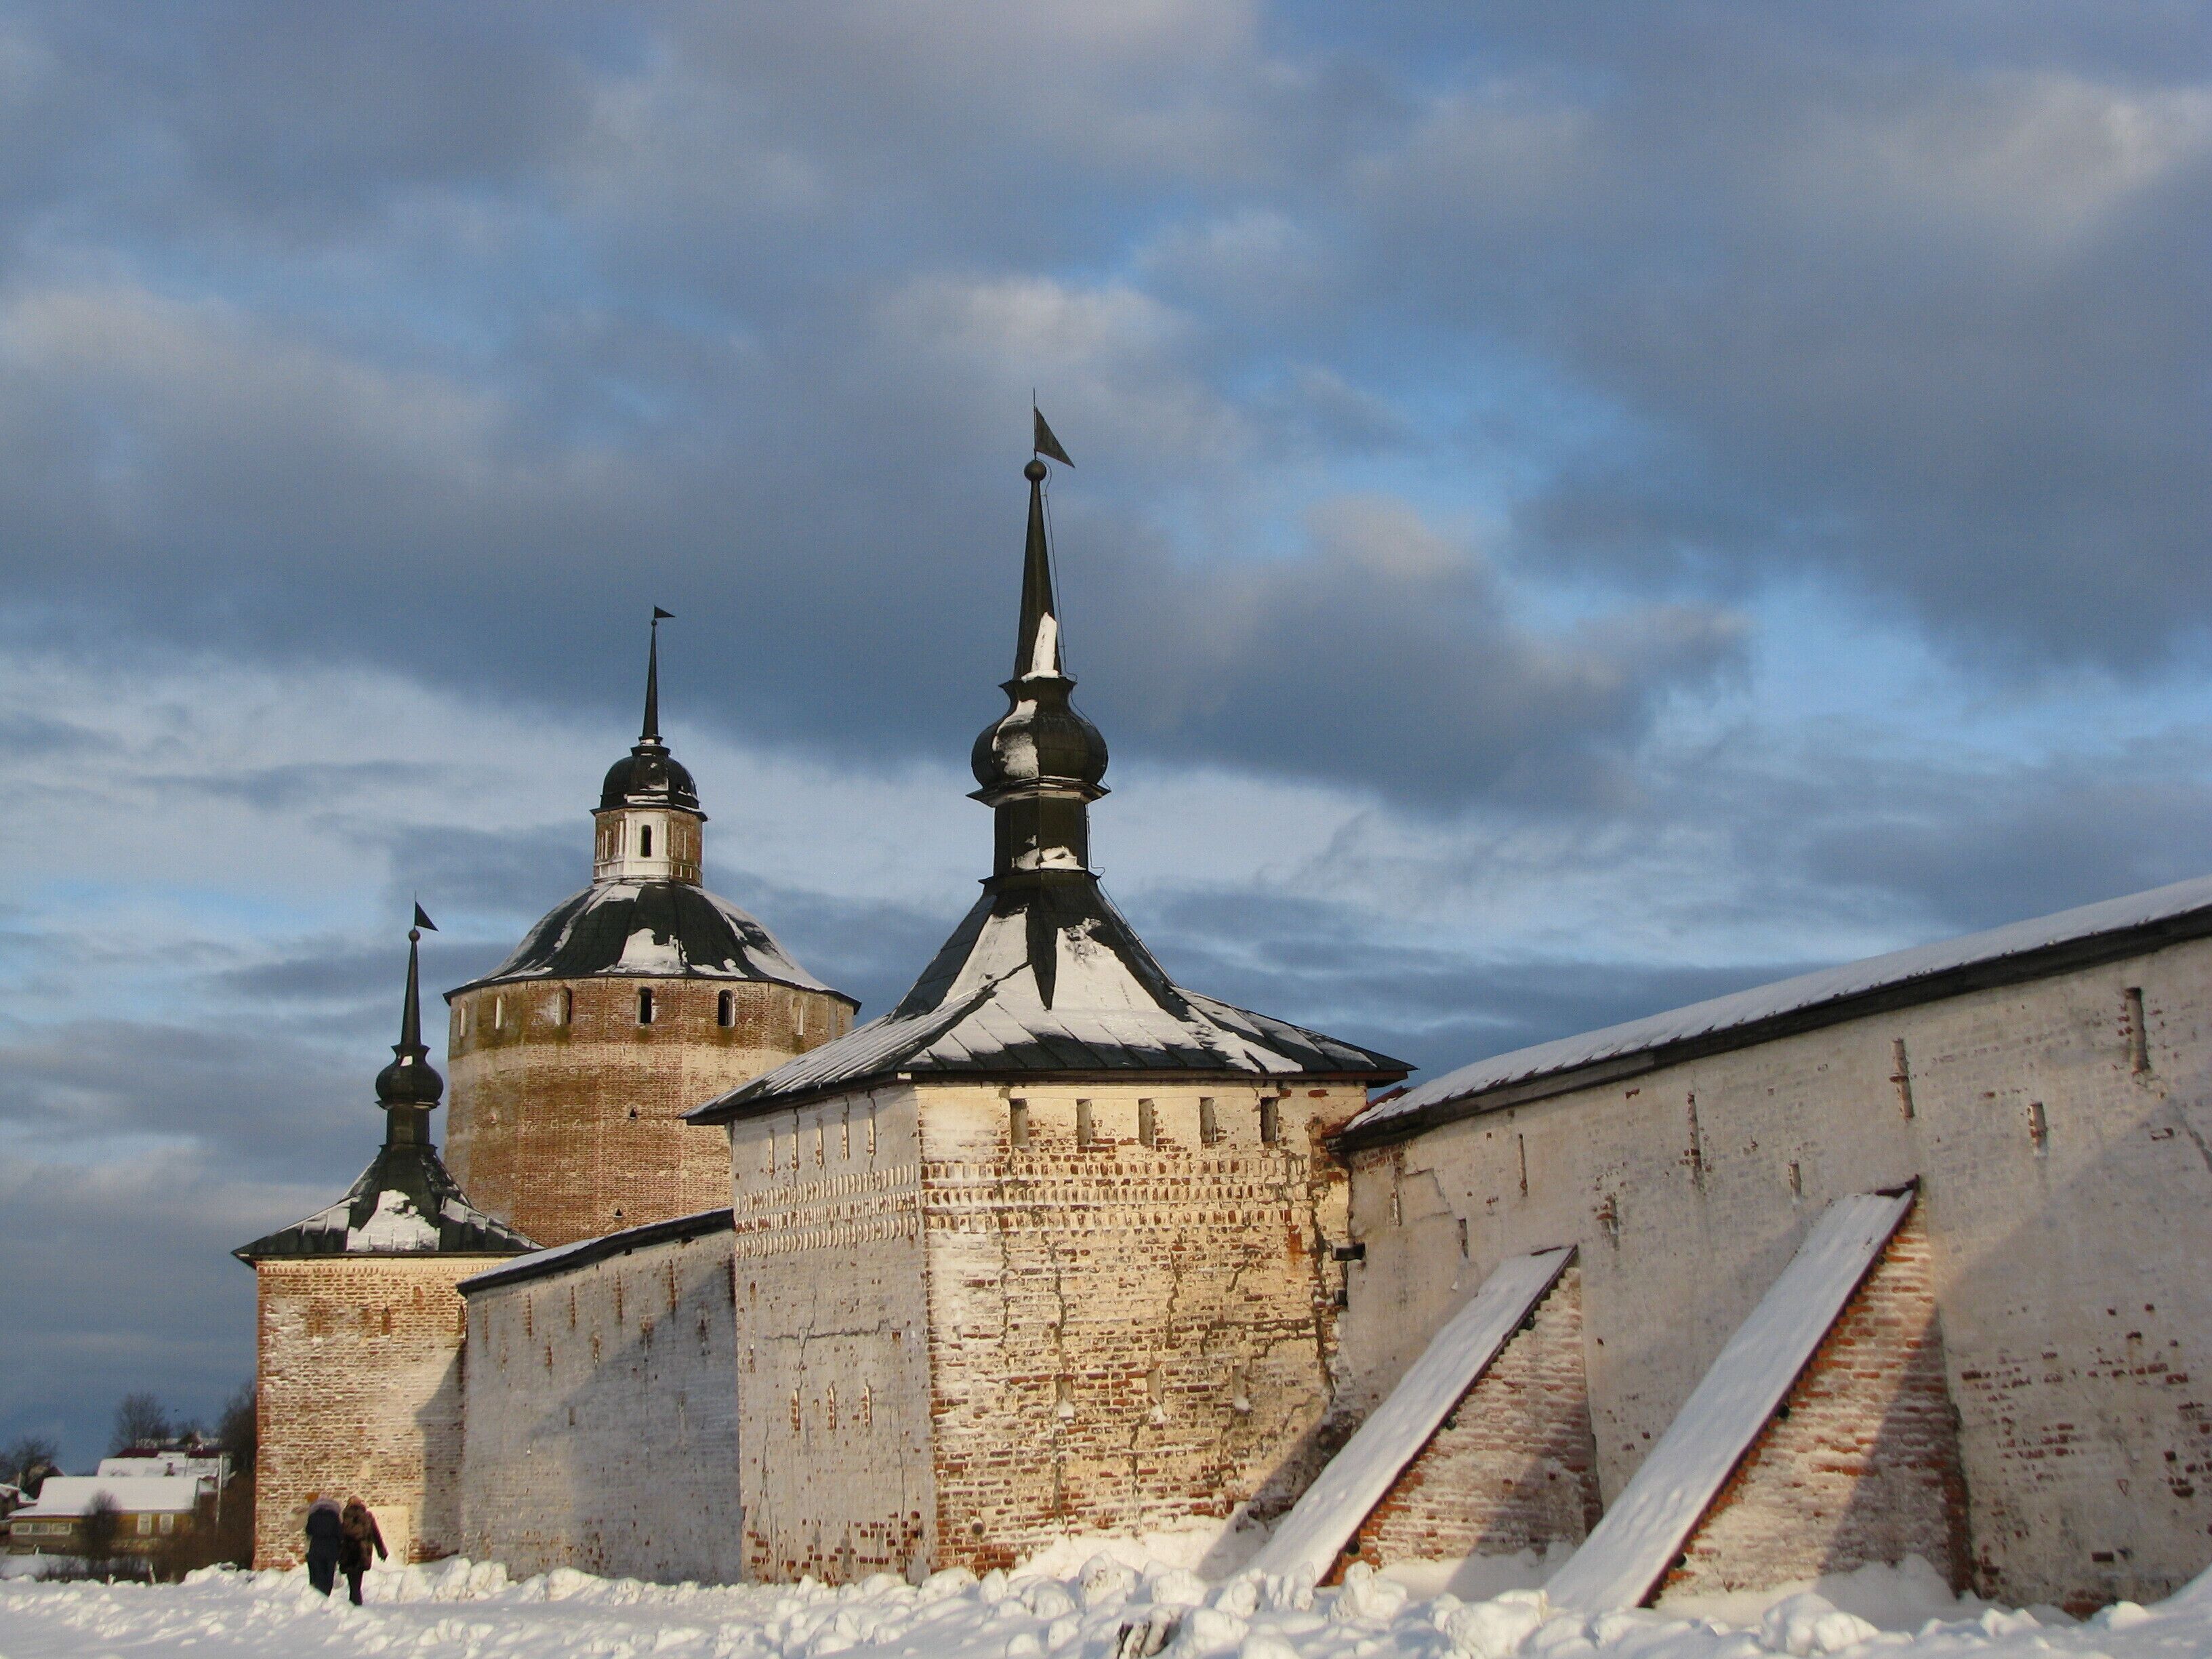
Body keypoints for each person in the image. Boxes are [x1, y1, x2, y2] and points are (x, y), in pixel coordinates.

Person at [338, 1496, 386, 1605]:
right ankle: (356, 1602)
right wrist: (381, 1550)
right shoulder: (368, 1517)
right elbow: (376, 1535)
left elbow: (339, 1536)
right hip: (363, 1553)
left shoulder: (344, 1517)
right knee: (358, 1581)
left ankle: (355, 1603)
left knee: (353, 1583)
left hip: (349, 1554)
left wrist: (337, 1553)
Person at [302, 1496, 342, 1595]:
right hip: (331, 1548)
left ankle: (320, 1593)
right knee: (330, 1573)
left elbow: (309, 1531)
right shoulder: (334, 1517)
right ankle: (327, 1592)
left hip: (317, 1547)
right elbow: (339, 1533)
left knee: (320, 1571)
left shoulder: (313, 1516)